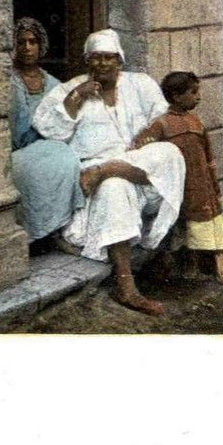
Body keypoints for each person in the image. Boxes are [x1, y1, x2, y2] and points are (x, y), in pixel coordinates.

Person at [33, 29, 186, 316]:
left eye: (109, 58)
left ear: (120, 61)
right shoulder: (71, 89)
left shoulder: (139, 84)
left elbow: (164, 119)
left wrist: (149, 133)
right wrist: (77, 97)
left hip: (137, 163)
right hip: (93, 170)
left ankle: (111, 170)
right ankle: (126, 286)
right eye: (95, 59)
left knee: (171, 153)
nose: (102, 64)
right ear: (87, 62)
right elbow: (49, 129)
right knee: (115, 187)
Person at [131, 71, 223, 287]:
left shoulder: (196, 122)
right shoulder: (162, 124)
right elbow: (141, 146)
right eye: (193, 92)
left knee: (212, 222)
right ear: (176, 96)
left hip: (203, 183)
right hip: (182, 185)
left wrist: (213, 178)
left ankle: (221, 265)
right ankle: (191, 264)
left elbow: (209, 155)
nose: (198, 97)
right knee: (186, 225)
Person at [10, 18, 85, 247]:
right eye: (21, 42)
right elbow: (19, 133)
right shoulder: (10, 82)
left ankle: (63, 229)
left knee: (71, 160)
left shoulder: (53, 84)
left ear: (41, 45)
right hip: (20, 151)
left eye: (33, 42)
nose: (27, 47)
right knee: (55, 160)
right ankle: (43, 231)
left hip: (52, 148)